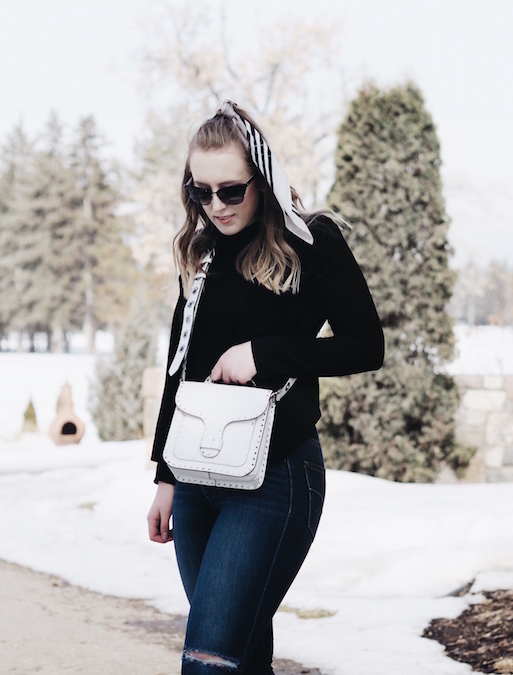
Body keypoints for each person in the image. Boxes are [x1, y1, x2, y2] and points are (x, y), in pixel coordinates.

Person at [147, 101, 383, 674]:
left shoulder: (312, 242)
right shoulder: (202, 253)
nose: (216, 206)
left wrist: (265, 354)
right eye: (200, 191)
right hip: (199, 476)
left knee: (208, 661)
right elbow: (180, 366)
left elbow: (365, 345)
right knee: (241, 658)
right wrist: (164, 476)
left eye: (231, 190)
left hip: (276, 476)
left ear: (265, 179)